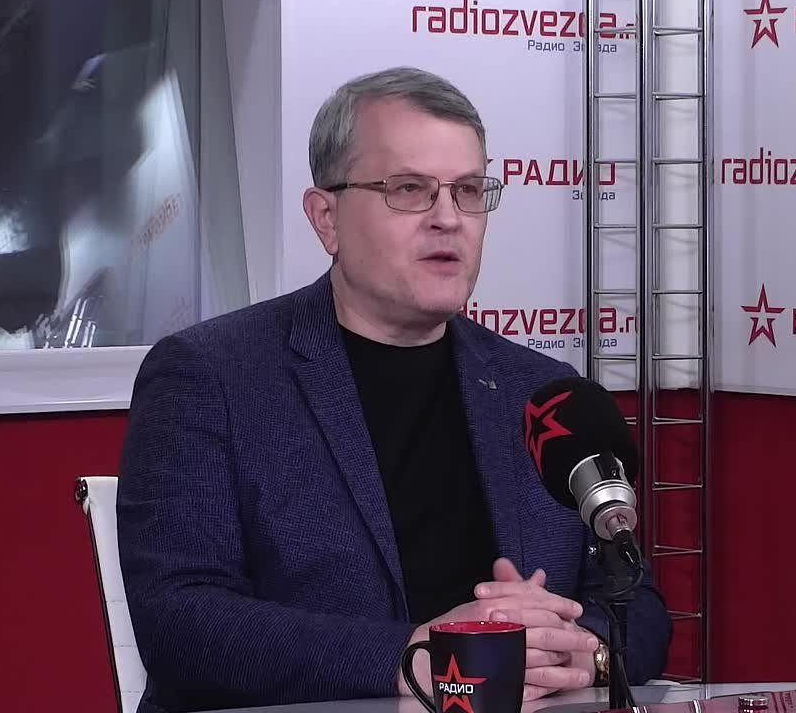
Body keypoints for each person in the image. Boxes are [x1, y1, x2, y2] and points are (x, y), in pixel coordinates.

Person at [115, 66, 671, 713]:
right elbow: (180, 623)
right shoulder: (209, 377)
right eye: (409, 189)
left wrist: (587, 651)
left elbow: (635, 598)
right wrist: (413, 657)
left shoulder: (542, 394)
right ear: (326, 218)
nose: (448, 219)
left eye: (468, 191)